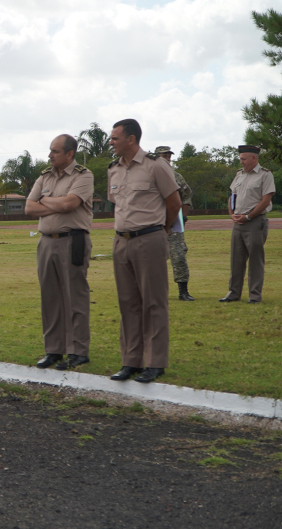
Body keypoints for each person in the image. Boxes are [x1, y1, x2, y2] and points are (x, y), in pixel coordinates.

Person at [107, 119, 182, 383]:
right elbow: (117, 204)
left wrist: (163, 231)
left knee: (153, 302)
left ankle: (155, 362)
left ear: (131, 139)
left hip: (149, 238)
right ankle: (131, 361)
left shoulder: (155, 165)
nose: (111, 142)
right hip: (121, 241)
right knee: (128, 303)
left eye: (115, 138)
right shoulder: (113, 169)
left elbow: (174, 203)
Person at [25, 134, 94, 371]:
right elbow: (29, 207)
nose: (50, 155)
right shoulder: (45, 176)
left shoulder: (83, 175)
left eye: (55, 151)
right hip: (46, 242)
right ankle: (53, 350)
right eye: (50, 150)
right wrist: (57, 203)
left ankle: (78, 351)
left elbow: (69, 204)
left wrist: (46, 200)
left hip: (73, 241)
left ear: (70, 154)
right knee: (50, 298)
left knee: (75, 297)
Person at [220, 145, 276, 304]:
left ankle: (254, 295)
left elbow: (265, 201)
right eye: (240, 159)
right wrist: (232, 214)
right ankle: (233, 293)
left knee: (255, 260)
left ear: (254, 158)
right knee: (236, 260)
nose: (241, 162)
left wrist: (248, 216)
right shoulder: (239, 175)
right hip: (238, 222)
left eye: (244, 159)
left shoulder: (265, 175)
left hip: (255, 222)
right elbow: (232, 196)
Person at [155, 146, 195, 301]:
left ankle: (183, 291)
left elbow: (186, 196)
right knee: (153, 259)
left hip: (174, 223)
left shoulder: (176, 176)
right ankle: (155, 292)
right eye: (163, 156)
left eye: (168, 156)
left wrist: (183, 217)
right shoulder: (149, 176)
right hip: (154, 222)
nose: (167, 159)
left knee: (178, 256)